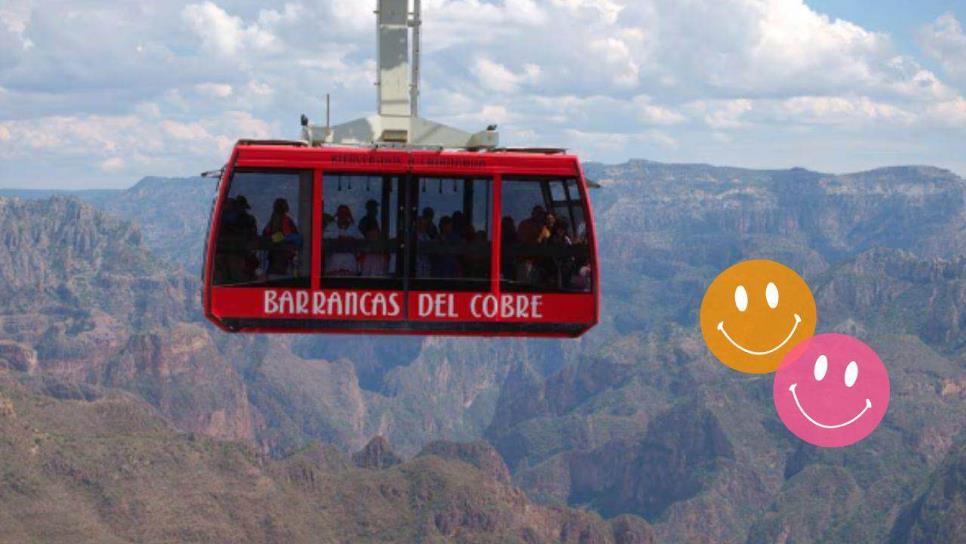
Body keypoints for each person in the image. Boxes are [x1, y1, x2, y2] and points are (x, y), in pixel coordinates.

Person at [263, 198, 301, 276]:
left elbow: (266, 234)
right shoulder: (285, 220)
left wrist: (273, 239)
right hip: (283, 256)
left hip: (274, 255)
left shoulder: (273, 220)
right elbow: (287, 235)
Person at [324, 205, 361, 276]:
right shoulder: (331, 226)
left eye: (345, 213)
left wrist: (351, 239)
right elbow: (324, 238)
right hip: (334, 265)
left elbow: (361, 240)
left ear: (348, 215)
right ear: (337, 214)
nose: (343, 215)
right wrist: (337, 238)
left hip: (350, 266)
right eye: (341, 213)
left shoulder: (353, 227)